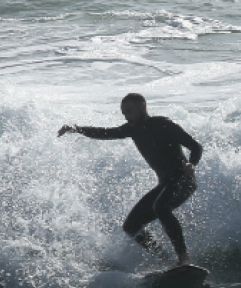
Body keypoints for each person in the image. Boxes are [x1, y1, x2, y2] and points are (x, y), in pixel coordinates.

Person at [58, 93, 203, 266]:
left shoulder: (163, 124)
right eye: (123, 113)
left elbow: (195, 146)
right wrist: (76, 129)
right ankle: (165, 260)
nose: (126, 116)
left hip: (183, 181)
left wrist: (192, 164)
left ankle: (183, 258)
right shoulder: (132, 129)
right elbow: (104, 133)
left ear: (142, 107)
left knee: (161, 207)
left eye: (129, 111)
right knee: (131, 225)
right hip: (166, 184)